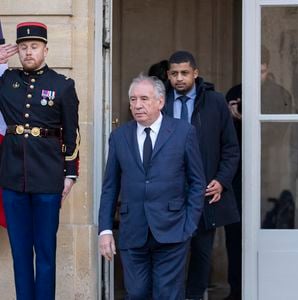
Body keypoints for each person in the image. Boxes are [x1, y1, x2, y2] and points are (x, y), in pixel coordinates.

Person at [98, 74, 206, 300]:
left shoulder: (183, 132)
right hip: (132, 230)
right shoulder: (119, 137)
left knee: (167, 294)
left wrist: (189, 223)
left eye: (144, 99)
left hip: (173, 229)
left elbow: (197, 182)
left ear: (160, 102)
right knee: (136, 293)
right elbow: (110, 186)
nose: (137, 105)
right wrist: (105, 230)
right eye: (133, 99)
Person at [0, 22, 80, 300]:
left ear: (46, 49)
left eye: (34, 47)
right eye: (23, 48)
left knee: (45, 252)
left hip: (48, 180)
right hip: (12, 180)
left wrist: (70, 174)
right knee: (20, 253)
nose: (28, 52)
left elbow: (72, 134)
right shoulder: (5, 81)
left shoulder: (62, 85)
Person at [164, 50, 240, 300]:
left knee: (201, 256)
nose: (179, 79)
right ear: (168, 75)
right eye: (174, 74)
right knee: (169, 255)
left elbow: (230, 148)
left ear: (195, 73)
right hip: (169, 194)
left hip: (205, 194)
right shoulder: (159, 101)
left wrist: (221, 181)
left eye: (185, 73)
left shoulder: (216, 102)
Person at [225, 83, 242, 300]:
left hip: (271, 171)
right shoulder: (234, 93)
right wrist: (232, 118)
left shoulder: (276, 93)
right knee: (234, 236)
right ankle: (236, 290)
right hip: (235, 178)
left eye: (263, 71)